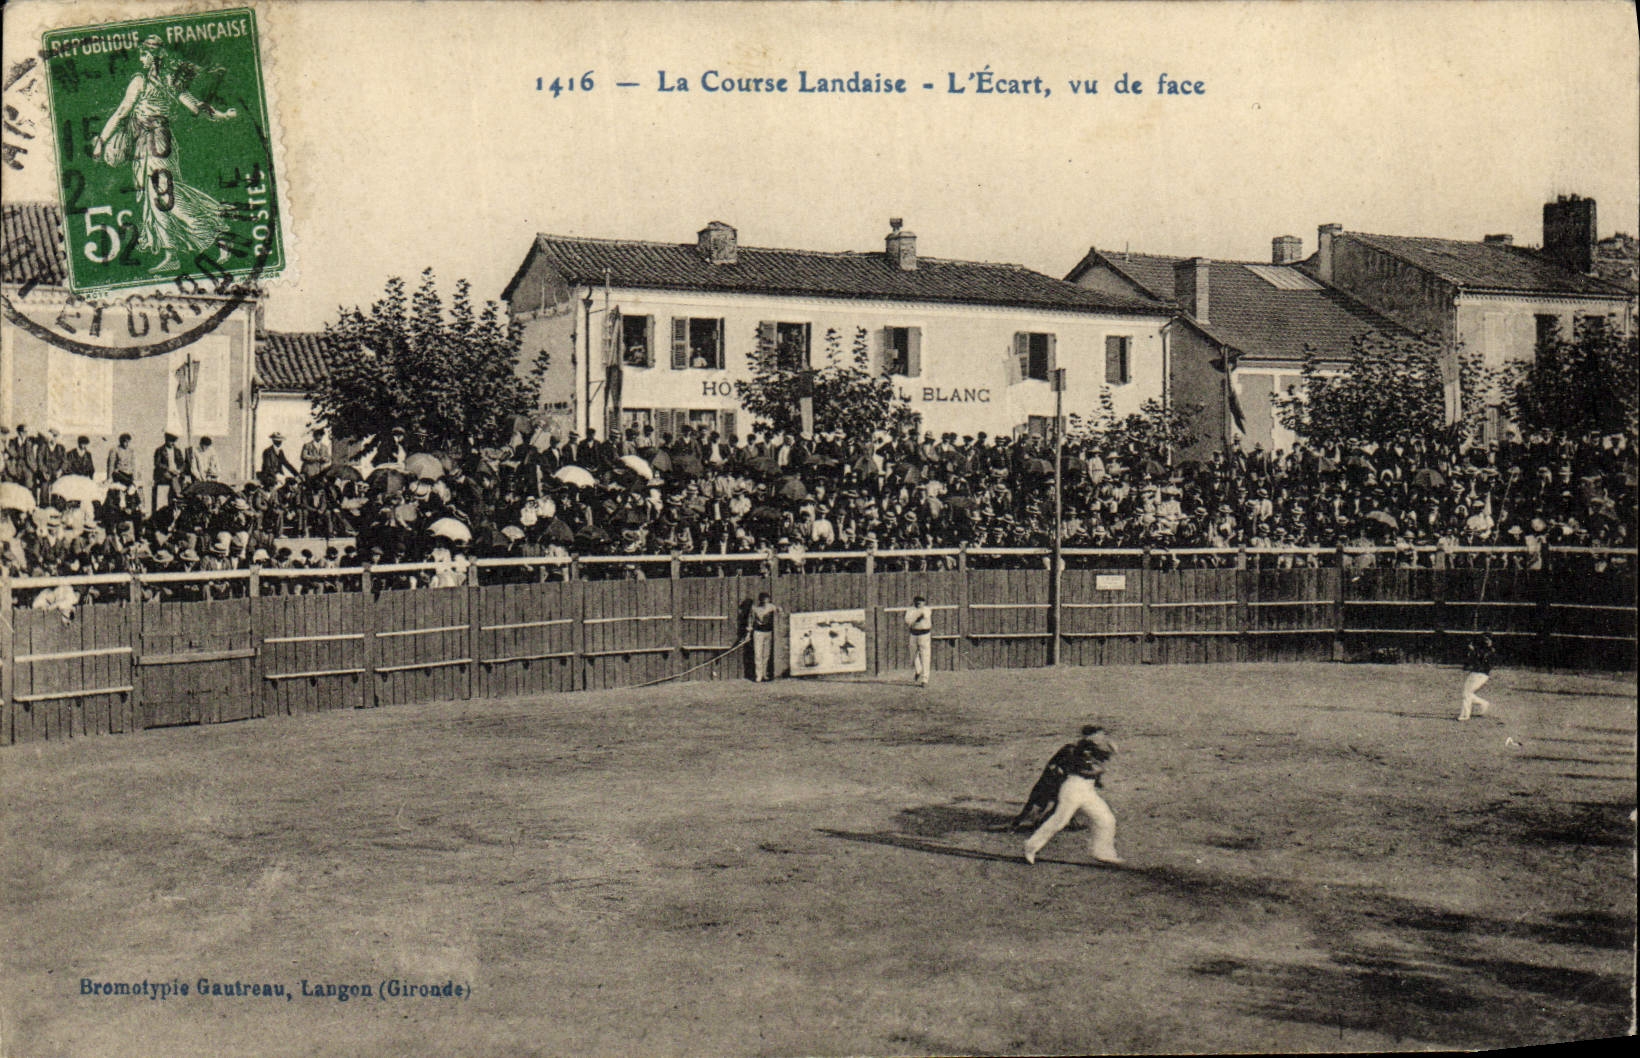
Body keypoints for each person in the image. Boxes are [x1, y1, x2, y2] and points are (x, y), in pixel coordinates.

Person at [90, 35, 240, 273]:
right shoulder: (169, 81)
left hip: (156, 145)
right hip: (148, 145)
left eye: (144, 55)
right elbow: (195, 106)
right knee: (154, 201)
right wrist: (221, 115)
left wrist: (101, 141)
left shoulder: (141, 82)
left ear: (153, 57)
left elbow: (121, 113)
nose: (141, 59)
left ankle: (219, 234)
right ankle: (171, 255)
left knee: (168, 198)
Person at [1023, 725, 1123, 866]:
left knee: (1106, 819)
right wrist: (1099, 770)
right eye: (1099, 735)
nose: (1102, 737)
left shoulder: (1091, 748)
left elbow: (1104, 757)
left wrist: (1111, 750)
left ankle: (1102, 852)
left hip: (1087, 791)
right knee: (1059, 821)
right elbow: (1083, 769)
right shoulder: (1077, 749)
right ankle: (1031, 847)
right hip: (1073, 789)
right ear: (1089, 736)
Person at [1009, 724, 1117, 832]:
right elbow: (1058, 765)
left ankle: (1037, 824)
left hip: (1060, 781)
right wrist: (1094, 774)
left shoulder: (1085, 751)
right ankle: (1021, 825)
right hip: (1052, 780)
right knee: (1037, 803)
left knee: (1060, 803)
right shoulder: (1071, 749)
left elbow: (1090, 764)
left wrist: (1096, 777)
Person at [1458, 632, 1497, 722]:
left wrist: (1473, 651)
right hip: (1474, 673)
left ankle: (1465, 715)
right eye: (1484, 639)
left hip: (1482, 674)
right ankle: (1483, 703)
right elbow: (1471, 661)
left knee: (1467, 694)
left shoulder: (1491, 651)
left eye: (1487, 639)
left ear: (1491, 641)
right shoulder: (1480, 649)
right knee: (1466, 693)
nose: (1486, 641)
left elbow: (1482, 659)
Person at [904, 594, 933, 686]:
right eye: (917, 602)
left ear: (924, 603)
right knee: (913, 655)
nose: (919, 604)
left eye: (920, 602)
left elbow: (922, 616)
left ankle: (925, 679)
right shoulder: (910, 610)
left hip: (924, 635)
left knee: (925, 656)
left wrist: (913, 619)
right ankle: (918, 670)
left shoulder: (927, 610)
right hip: (913, 634)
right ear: (914, 602)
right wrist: (913, 619)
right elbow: (907, 621)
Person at [748, 592, 777, 682]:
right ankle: (759, 675)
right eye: (764, 600)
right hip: (758, 633)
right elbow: (750, 621)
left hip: (768, 632)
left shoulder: (771, 607)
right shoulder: (755, 609)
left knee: (766, 654)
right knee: (758, 654)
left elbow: (778, 612)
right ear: (760, 600)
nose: (766, 602)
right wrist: (749, 633)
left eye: (767, 600)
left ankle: (765, 674)